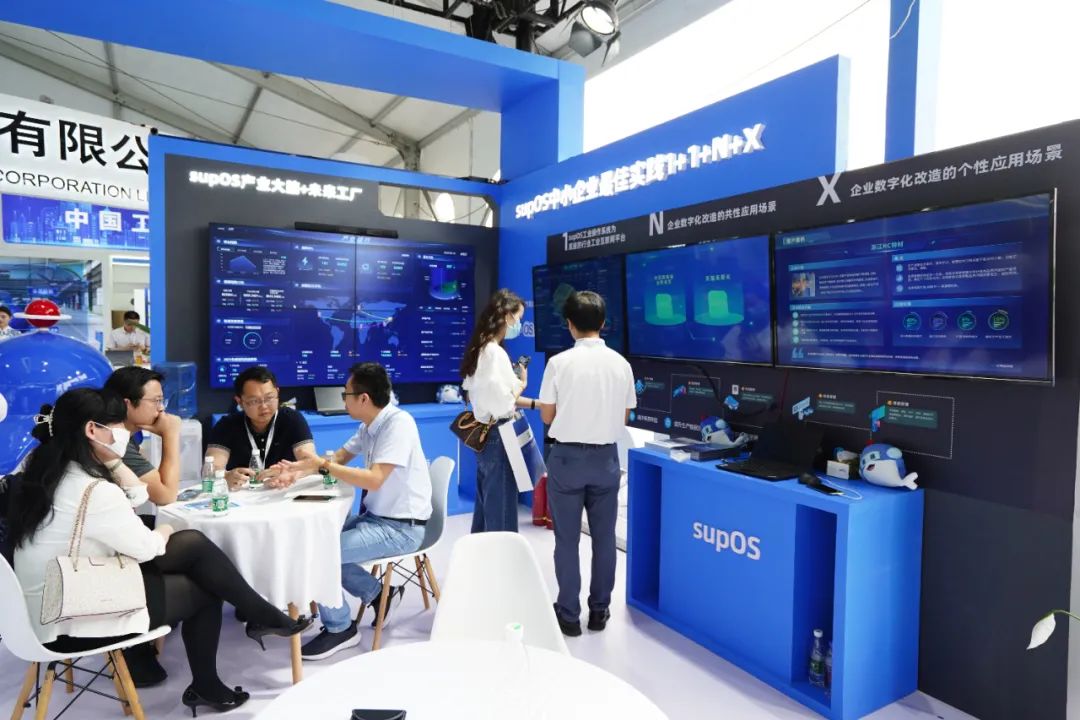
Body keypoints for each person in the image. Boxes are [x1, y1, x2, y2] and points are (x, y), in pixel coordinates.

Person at [7, 388, 311, 714]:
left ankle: (256, 619)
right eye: (117, 425)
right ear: (92, 430)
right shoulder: (93, 491)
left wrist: (112, 460)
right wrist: (166, 529)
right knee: (202, 579)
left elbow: (136, 497)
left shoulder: (44, 467)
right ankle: (229, 655)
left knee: (193, 549)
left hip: (39, 606)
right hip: (71, 615)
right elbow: (147, 548)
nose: (124, 433)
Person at [277, 363, 432, 661]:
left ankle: (340, 628)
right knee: (315, 540)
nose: (343, 400)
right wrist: (297, 469)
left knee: (319, 554)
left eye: (345, 394)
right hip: (378, 518)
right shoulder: (369, 426)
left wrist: (323, 466)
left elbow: (374, 479)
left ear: (363, 398)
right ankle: (380, 595)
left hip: (402, 528)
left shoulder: (398, 425)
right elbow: (337, 457)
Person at [538, 291, 636, 637]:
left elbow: (547, 415)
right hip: (606, 459)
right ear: (603, 323)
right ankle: (599, 610)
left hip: (566, 458)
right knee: (604, 538)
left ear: (569, 324)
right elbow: (625, 416)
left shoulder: (559, 363)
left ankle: (568, 614)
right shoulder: (621, 364)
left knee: (566, 540)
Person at [460, 289, 537, 533]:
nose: (519, 324)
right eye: (519, 318)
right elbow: (503, 403)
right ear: (507, 316)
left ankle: (482, 555)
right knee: (501, 511)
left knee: (487, 507)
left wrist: (533, 401)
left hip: (486, 434)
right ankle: (501, 556)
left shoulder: (481, 349)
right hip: (499, 436)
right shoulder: (494, 353)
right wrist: (522, 384)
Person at [206, 366, 317, 490]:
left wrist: (291, 472)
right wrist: (225, 476)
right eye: (254, 401)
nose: (264, 406)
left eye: (269, 398)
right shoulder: (227, 425)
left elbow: (310, 462)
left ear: (277, 393)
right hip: (242, 493)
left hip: (282, 491)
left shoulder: (292, 419)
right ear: (240, 402)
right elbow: (212, 466)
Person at [103, 366, 182, 509]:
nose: (161, 408)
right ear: (126, 404)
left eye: (162, 401)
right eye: (156, 401)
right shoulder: (113, 441)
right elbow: (166, 496)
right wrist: (171, 434)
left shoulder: (126, 436)